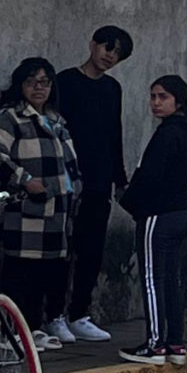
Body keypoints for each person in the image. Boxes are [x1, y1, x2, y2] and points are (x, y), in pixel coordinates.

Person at [0, 58, 82, 349]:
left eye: (45, 82)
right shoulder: (9, 117)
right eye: (32, 82)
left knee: (45, 273)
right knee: (19, 271)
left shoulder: (56, 120)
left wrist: (76, 189)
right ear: (20, 85)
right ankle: (10, 332)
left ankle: (33, 327)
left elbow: (70, 162)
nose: (39, 88)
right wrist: (24, 180)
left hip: (57, 212)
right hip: (23, 209)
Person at [117, 76, 187, 366]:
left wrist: (128, 201)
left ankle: (155, 344)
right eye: (153, 96)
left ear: (177, 101)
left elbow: (150, 178)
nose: (155, 102)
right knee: (173, 281)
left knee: (153, 280)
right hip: (181, 212)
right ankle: (175, 343)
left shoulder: (168, 134)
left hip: (159, 214)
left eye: (163, 97)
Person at [52, 26, 132, 342]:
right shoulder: (66, 82)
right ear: (93, 45)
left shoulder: (112, 89)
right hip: (68, 181)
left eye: (117, 53)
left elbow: (115, 135)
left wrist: (119, 178)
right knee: (62, 251)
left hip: (100, 181)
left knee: (91, 251)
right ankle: (54, 315)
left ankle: (79, 313)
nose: (109, 56)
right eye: (107, 48)